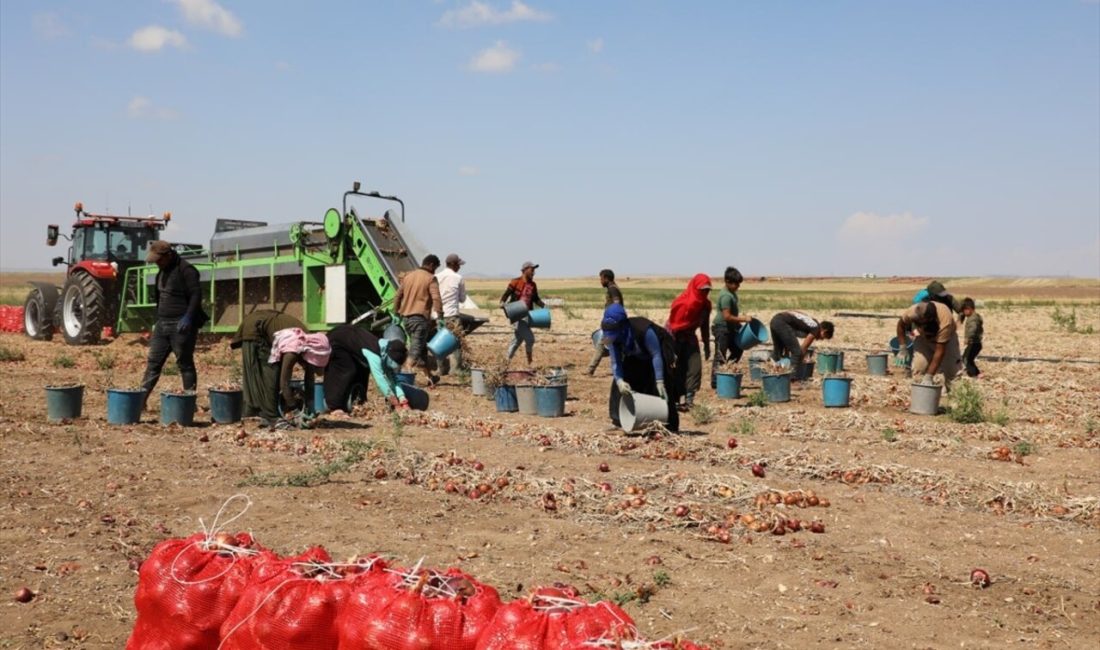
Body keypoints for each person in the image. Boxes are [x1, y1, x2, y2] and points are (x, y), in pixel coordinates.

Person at [140, 240, 207, 408]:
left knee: (185, 364)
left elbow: (196, 295)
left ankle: (188, 402)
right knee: (153, 363)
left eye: (159, 260)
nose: (157, 263)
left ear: (168, 255)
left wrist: (189, 317)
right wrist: (158, 320)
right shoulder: (161, 272)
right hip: (162, 324)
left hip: (181, 325)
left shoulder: (186, 270)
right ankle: (140, 401)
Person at [601, 304, 680, 432]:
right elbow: (616, 362)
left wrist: (659, 381)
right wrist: (620, 380)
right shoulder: (613, 337)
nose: (611, 336)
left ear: (622, 326)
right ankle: (618, 420)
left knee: (662, 389)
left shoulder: (643, 330)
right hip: (637, 354)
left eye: (614, 333)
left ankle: (669, 426)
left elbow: (656, 355)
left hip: (658, 352)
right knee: (620, 383)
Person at [230, 310, 306, 427]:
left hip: (257, 325)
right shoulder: (299, 345)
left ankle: (255, 412)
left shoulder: (308, 340)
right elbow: (283, 382)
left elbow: (309, 376)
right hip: (257, 330)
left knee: (257, 375)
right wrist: (295, 409)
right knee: (271, 374)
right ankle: (272, 417)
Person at [324, 324, 411, 412]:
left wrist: (402, 399)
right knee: (347, 369)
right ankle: (334, 406)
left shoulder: (386, 353)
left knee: (363, 370)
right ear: (388, 356)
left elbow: (393, 378)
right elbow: (380, 380)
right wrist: (395, 403)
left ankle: (357, 402)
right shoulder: (374, 355)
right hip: (337, 340)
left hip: (350, 343)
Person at [394, 254, 443, 386]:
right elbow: (436, 298)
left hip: (406, 319)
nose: (435, 271)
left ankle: (430, 378)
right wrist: (440, 316)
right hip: (420, 319)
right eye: (436, 268)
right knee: (415, 350)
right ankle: (403, 379)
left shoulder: (408, 276)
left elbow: (398, 296)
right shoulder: (430, 278)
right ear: (432, 265)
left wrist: (396, 313)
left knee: (421, 349)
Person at [267, 326, 331, 424]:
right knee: (273, 379)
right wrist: (295, 411)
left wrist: (311, 407)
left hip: (295, 344)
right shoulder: (292, 352)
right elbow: (284, 382)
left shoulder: (309, 350)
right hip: (271, 342)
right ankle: (271, 416)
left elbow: (310, 380)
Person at [666, 274, 712, 410]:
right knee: (677, 369)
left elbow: (705, 325)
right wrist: (671, 349)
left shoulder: (705, 306)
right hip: (674, 337)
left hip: (689, 337)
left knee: (695, 367)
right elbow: (673, 326)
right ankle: (674, 400)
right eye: (702, 290)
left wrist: (707, 345)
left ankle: (689, 400)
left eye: (707, 290)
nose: (705, 293)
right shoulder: (682, 303)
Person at [896, 300, 961, 388]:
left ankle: (952, 396)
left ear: (928, 318)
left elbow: (940, 351)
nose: (915, 320)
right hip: (922, 337)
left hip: (947, 339)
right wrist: (903, 347)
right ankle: (921, 394)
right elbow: (900, 325)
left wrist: (929, 376)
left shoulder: (945, 319)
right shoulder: (911, 312)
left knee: (952, 371)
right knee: (919, 367)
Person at [710, 266, 754, 388]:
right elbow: (727, 316)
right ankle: (715, 382)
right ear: (727, 282)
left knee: (738, 349)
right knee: (720, 355)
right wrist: (743, 319)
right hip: (722, 328)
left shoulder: (732, 294)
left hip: (730, 328)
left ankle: (726, 371)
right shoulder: (726, 296)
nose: (738, 287)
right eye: (736, 284)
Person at [499, 261, 545, 366]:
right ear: (525, 270)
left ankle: (504, 363)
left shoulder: (533, 285)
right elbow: (506, 294)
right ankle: (530, 363)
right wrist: (502, 303)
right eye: (532, 269)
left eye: (534, 270)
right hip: (517, 314)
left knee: (517, 341)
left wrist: (544, 306)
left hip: (528, 315)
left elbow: (535, 299)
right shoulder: (515, 282)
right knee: (530, 339)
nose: (534, 272)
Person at [768, 311, 834, 377]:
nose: (821, 339)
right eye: (824, 337)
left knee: (777, 351)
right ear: (824, 331)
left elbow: (788, 337)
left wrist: (787, 353)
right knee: (797, 353)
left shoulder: (812, 322)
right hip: (782, 323)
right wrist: (801, 361)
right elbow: (803, 348)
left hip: (776, 320)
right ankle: (791, 378)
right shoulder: (816, 329)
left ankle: (769, 372)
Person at [586, 269, 625, 375]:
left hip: (613, 325)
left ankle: (590, 370)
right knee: (611, 346)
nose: (600, 281)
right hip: (616, 324)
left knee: (602, 345)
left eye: (601, 278)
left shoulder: (612, 290)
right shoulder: (613, 288)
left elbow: (617, 304)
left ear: (606, 279)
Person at [435, 253, 468, 376]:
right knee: (456, 342)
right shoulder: (458, 278)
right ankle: (456, 369)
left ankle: (441, 369)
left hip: (438, 315)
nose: (459, 267)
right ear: (453, 265)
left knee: (440, 342)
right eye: (458, 265)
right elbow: (462, 299)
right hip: (452, 314)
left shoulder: (436, 277)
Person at [959, 297, 984, 378]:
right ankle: (978, 374)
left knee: (966, 359)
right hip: (976, 343)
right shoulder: (974, 317)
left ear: (968, 309)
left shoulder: (973, 319)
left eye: (964, 310)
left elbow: (973, 329)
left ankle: (974, 375)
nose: (963, 312)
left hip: (974, 343)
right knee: (968, 359)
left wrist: (968, 337)